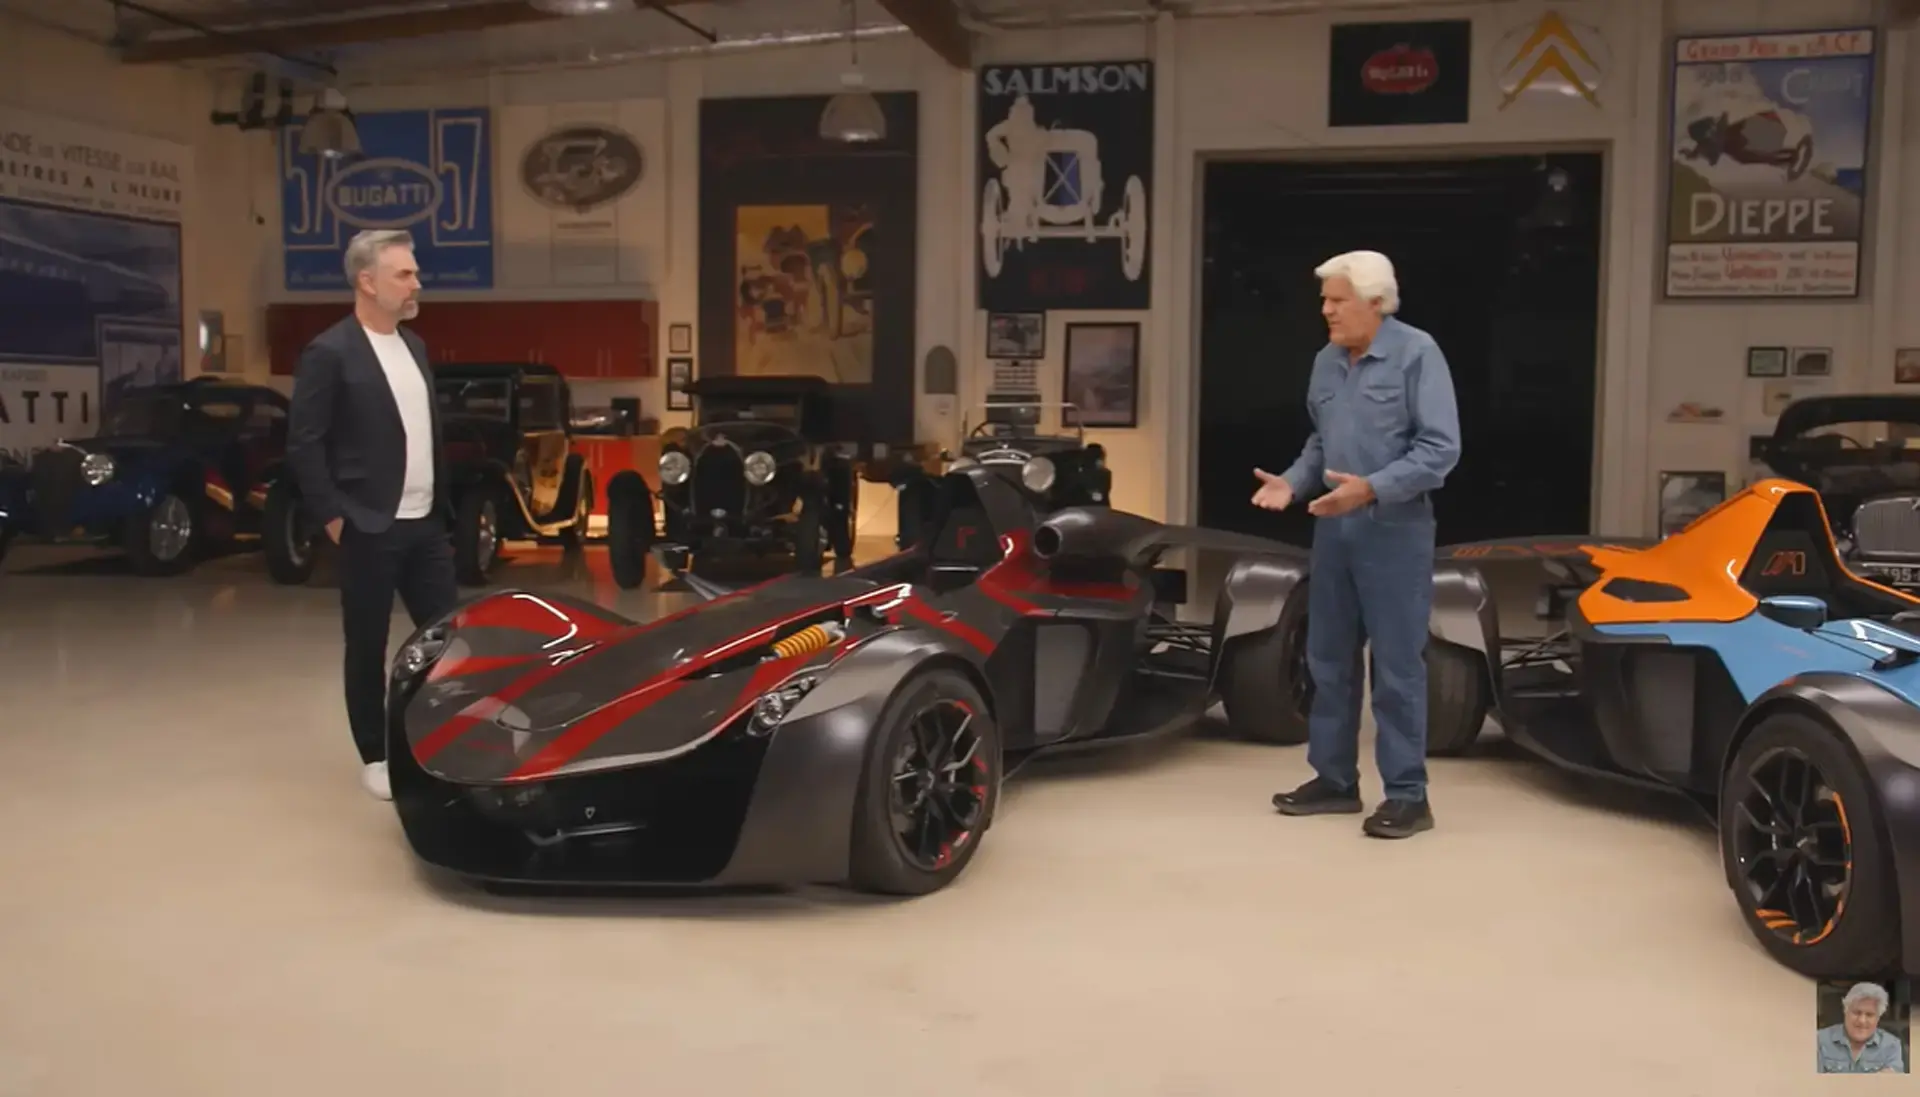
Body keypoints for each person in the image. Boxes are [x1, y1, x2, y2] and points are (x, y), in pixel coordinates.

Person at [1255, 249, 1461, 839]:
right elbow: (1321, 443)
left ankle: (1407, 795)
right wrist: (1292, 483)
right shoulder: (1326, 361)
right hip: (1333, 530)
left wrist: (1371, 490)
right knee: (1327, 660)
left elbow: (1440, 450)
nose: (1326, 310)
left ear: (1376, 303)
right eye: (1325, 300)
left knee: (1397, 668)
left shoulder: (1417, 354)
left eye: (1337, 300)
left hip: (1395, 530)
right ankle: (1335, 781)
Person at [286, 229, 458, 802]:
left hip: (426, 524)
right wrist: (334, 517)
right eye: (404, 274)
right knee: (367, 645)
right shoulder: (330, 353)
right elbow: (305, 444)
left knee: (450, 639)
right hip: (368, 524)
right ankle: (377, 754)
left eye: (414, 273)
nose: (417, 283)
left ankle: (440, 739)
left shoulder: (416, 348)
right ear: (367, 281)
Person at [1818, 982, 1907, 1073]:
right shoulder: (1819, 1040)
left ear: (1878, 1017)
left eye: (1869, 1015)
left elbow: (1894, 1085)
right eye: (1857, 1013)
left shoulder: (1891, 1046)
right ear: (1845, 1011)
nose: (1862, 1020)